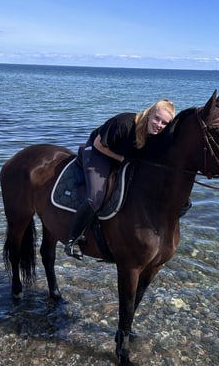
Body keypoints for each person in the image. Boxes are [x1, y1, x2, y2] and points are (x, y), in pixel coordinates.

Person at [65, 99, 176, 259]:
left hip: (123, 156)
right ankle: (72, 239)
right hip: (98, 151)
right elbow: (99, 144)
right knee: (96, 196)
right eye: (157, 118)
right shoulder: (124, 123)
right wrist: (122, 159)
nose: (159, 124)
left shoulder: (158, 136)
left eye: (164, 123)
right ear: (149, 113)